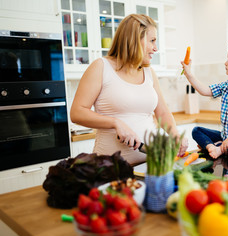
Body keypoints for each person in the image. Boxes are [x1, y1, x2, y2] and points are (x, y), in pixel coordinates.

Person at [70, 14, 188, 165]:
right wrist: (116, 123)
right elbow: (77, 112)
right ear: (134, 39)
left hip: (150, 165)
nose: (155, 48)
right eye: (152, 41)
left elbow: (162, 112)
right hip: (111, 167)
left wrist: (175, 134)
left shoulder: (149, 72)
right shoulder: (101, 67)